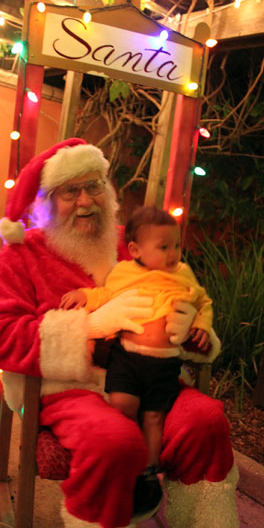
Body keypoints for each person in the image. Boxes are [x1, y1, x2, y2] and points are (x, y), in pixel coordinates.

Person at [0, 138, 245, 528]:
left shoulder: (134, 243)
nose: (86, 202)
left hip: (149, 372)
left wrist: (189, 326)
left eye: (94, 186)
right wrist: (91, 327)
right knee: (113, 440)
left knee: (206, 421)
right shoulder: (23, 253)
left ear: (109, 191)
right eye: (70, 191)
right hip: (68, 388)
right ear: (47, 201)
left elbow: (187, 294)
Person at [59, 205, 214, 489]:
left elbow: (202, 302)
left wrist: (202, 324)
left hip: (164, 362)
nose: (173, 253)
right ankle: (125, 456)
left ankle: (148, 471)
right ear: (135, 249)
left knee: (154, 416)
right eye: (164, 246)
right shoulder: (124, 274)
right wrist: (84, 294)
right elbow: (107, 295)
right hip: (127, 357)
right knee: (122, 405)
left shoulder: (183, 275)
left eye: (177, 245)